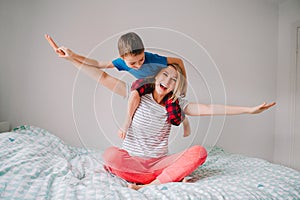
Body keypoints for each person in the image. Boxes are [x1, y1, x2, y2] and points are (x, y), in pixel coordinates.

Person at [46, 36, 276, 190]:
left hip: (159, 163)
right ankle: (163, 179)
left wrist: (249, 110)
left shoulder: (177, 105)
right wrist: (72, 58)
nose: (168, 80)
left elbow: (210, 108)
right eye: (165, 75)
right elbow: (102, 76)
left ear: (176, 86)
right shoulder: (134, 93)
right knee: (110, 155)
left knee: (199, 152)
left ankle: (150, 184)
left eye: (174, 79)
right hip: (134, 162)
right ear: (156, 77)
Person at [45, 33, 191, 138]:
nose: (138, 65)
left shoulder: (152, 58)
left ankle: (185, 123)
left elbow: (178, 61)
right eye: (133, 63)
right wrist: (73, 56)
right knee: (135, 91)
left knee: (176, 111)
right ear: (122, 58)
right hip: (147, 87)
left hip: (162, 86)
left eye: (141, 59)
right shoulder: (120, 62)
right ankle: (126, 123)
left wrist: (182, 86)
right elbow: (97, 64)